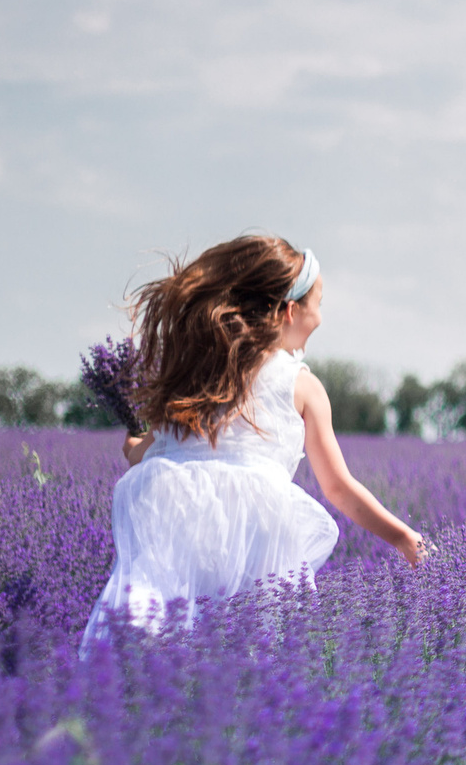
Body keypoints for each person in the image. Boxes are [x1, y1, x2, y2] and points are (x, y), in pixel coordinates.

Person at [83, 235, 425, 649]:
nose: (319, 318)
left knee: (162, 643)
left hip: (177, 522)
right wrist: (405, 538)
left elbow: (150, 455)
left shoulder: (194, 377)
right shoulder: (301, 385)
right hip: (259, 532)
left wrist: (133, 446)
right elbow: (337, 486)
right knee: (252, 657)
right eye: (318, 304)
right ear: (290, 310)